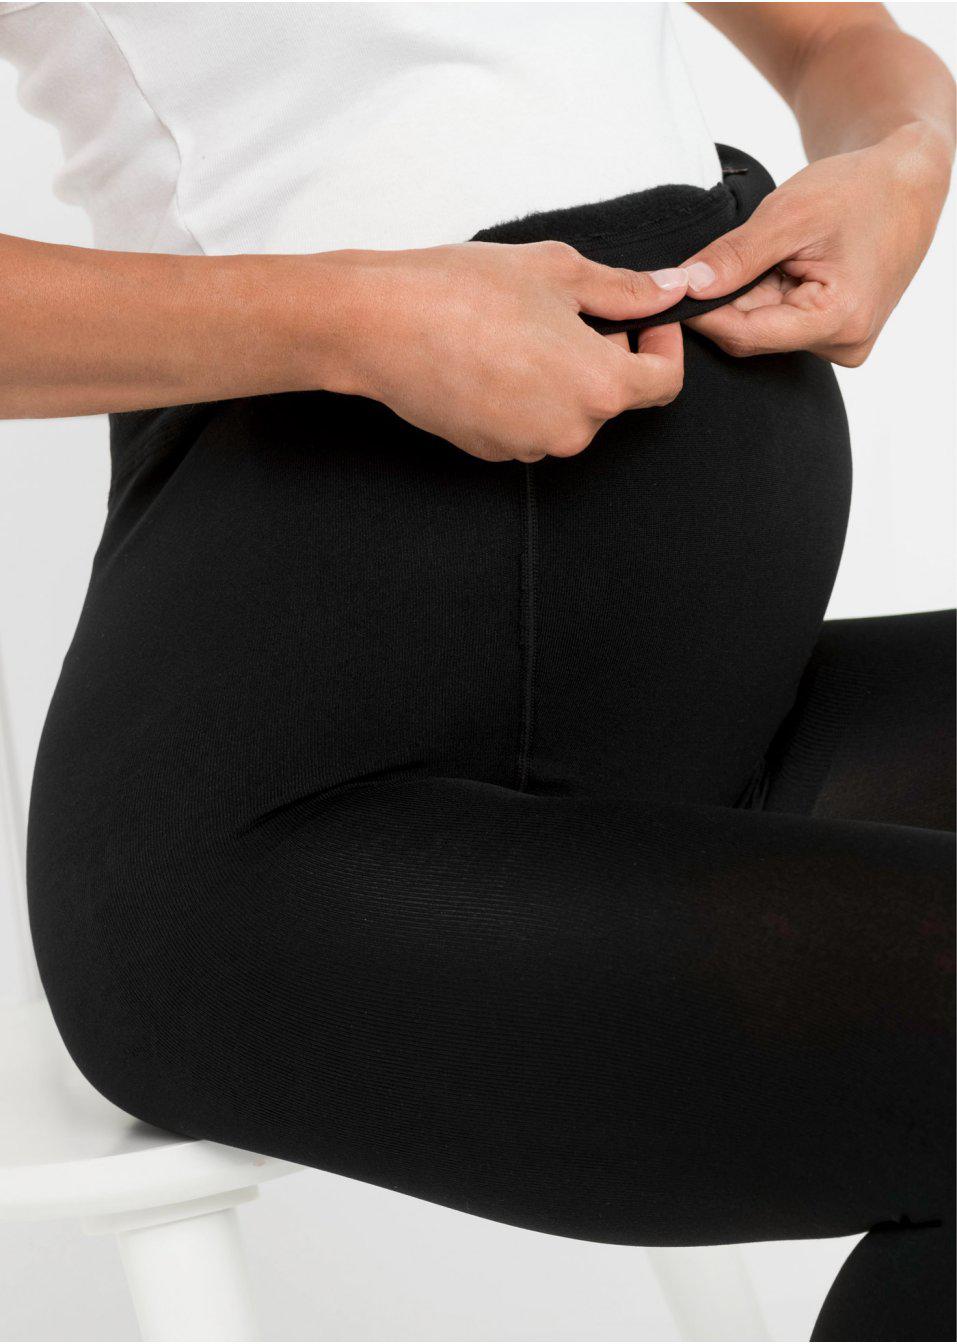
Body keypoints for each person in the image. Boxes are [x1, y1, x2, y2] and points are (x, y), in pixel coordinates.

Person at [2, 4, 954, 1339]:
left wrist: (900, 156)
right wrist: (350, 317)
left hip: (713, 717)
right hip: (292, 824)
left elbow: (835, 34)